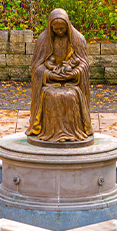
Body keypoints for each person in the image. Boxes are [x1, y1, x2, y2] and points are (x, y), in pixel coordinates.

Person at [27, 8, 93, 145]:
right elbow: (36, 67)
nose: (60, 32)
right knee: (51, 95)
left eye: (62, 29)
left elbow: (84, 64)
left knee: (70, 96)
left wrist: (74, 73)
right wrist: (49, 74)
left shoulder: (78, 39)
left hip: (71, 82)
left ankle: (73, 131)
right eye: (56, 29)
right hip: (51, 81)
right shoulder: (43, 40)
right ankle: (48, 131)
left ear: (68, 26)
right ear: (50, 28)